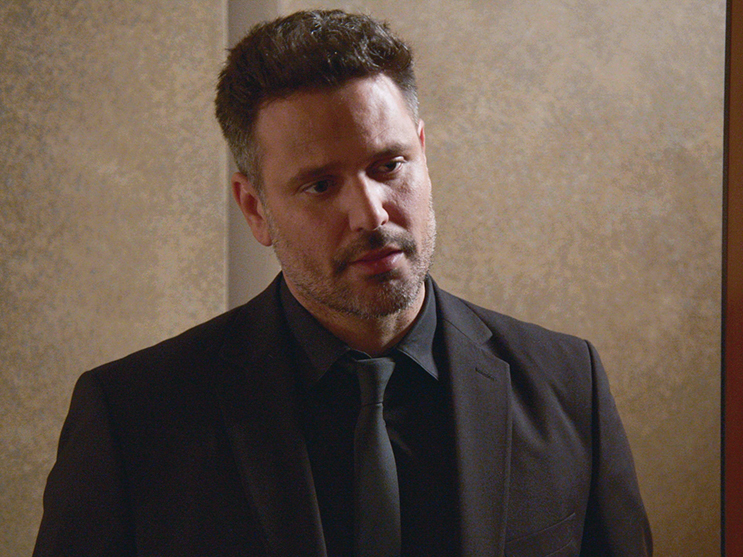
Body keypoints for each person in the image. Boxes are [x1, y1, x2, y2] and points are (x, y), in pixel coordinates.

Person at [34, 9, 652, 557]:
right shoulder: (133, 419)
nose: (371, 214)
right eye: (321, 185)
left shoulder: (569, 384)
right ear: (254, 208)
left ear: (423, 153)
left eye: (389, 165)